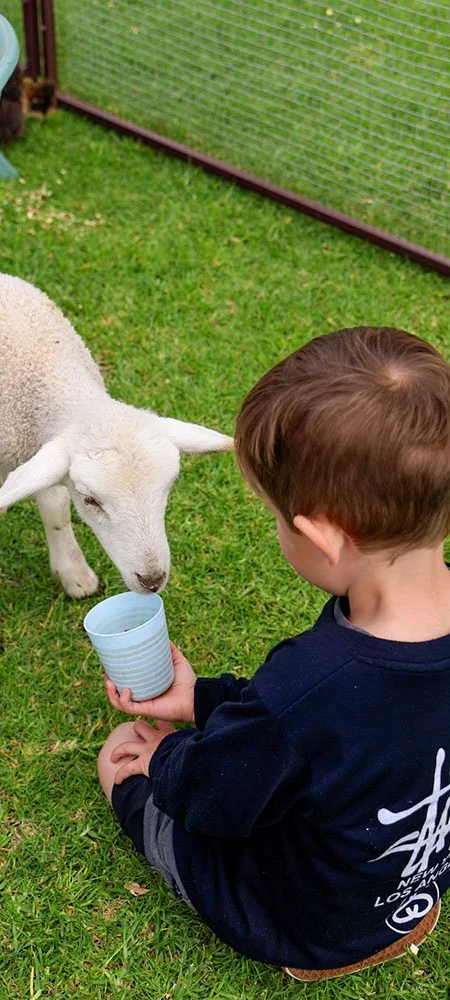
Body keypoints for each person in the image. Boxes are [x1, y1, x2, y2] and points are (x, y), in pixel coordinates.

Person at [97, 326, 450, 980]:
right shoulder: (329, 686)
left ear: (320, 537)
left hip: (300, 920)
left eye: (274, 516)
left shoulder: (312, 683)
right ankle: (398, 916)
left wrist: (164, 756)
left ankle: (322, 956)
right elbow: (319, 738)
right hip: (409, 883)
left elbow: (217, 797)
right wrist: (202, 698)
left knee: (119, 760)